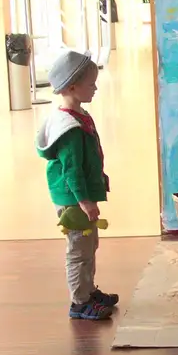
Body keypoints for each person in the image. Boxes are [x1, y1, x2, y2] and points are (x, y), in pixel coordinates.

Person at [36, 50, 118, 320]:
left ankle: (88, 290)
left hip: (81, 197)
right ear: (72, 86)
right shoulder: (69, 128)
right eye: (90, 84)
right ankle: (79, 302)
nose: (95, 88)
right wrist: (85, 201)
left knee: (88, 246)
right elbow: (72, 171)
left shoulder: (80, 116)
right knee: (79, 250)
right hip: (74, 200)